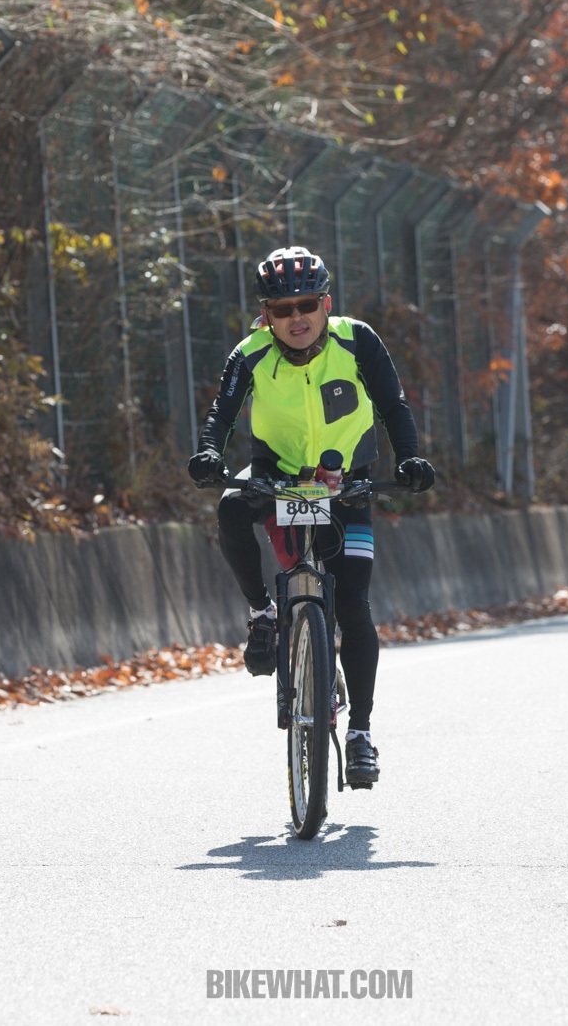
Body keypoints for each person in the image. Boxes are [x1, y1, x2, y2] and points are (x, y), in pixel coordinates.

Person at [186, 245, 435, 787]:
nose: (295, 318)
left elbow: (393, 405)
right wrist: (209, 452)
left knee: (353, 605)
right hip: (278, 478)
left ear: (326, 304)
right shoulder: (251, 352)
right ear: (266, 316)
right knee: (230, 509)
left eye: (306, 305)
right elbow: (221, 415)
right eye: (281, 309)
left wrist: (411, 456)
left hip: (345, 484)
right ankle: (261, 615)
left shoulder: (357, 340)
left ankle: (362, 732)